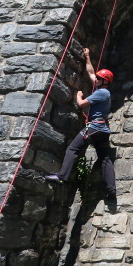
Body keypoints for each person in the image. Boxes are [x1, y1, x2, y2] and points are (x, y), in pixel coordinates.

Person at [45, 48, 116, 199]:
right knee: (105, 158)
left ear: (104, 81)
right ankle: (111, 190)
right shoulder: (104, 91)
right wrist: (88, 57)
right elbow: (91, 72)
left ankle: (62, 176)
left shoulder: (101, 92)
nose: (95, 79)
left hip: (94, 128)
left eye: (98, 78)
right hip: (102, 130)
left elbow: (82, 104)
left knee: (73, 149)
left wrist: (79, 96)